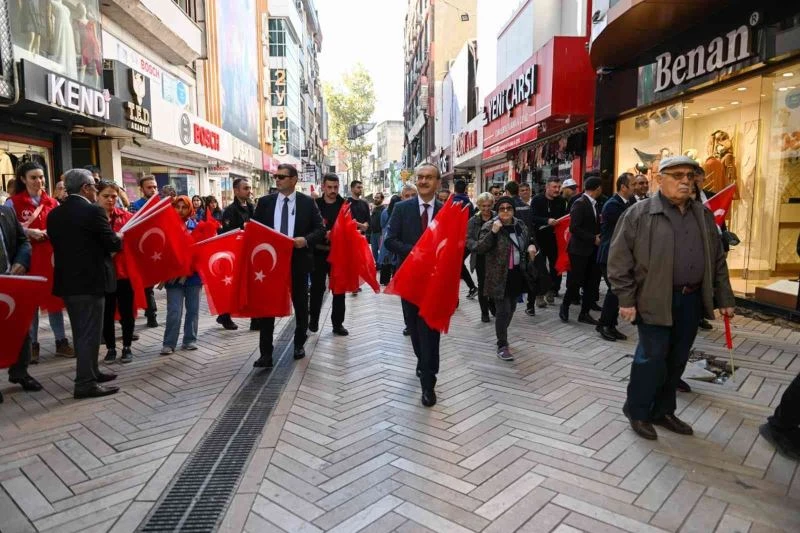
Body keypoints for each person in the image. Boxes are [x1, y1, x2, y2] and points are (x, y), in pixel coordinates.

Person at [609, 155, 735, 440]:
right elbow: (618, 262)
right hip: (653, 299)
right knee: (651, 359)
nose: (685, 181)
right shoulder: (639, 214)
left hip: (690, 300)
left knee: (677, 360)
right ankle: (638, 411)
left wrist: (725, 297)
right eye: (677, 175)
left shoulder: (702, 214)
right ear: (660, 179)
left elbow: (717, 260)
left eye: (690, 176)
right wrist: (626, 300)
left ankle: (663, 411)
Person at [48, 169, 122, 399]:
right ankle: (85, 383)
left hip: (69, 284)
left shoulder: (54, 214)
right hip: (91, 283)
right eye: (93, 185)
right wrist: (118, 238)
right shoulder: (93, 211)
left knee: (82, 332)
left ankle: (92, 372)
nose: (95, 189)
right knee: (89, 334)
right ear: (84, 188)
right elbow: (111, 244)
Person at [252, 164, 325, 367]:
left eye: (282, 177)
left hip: (298, 261)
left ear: (294, 180)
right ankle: (265, 353)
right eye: (276, 176)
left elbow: (320, 229)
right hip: (271, 264)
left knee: (301, 305)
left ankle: (299, 343)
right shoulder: (265, 202)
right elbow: (255, 229)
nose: (278, 180)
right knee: (268, 307)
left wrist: (306, 240)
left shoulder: (307, 203)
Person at [385, 163, 444, 407]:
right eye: (420, 177)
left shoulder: (447, 211)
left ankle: (428, 384)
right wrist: (415, 252)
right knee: (415, 330)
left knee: (431, 330)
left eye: (428, 177)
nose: (423, 181)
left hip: (436, 282)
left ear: (438, 182)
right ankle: (423, 361)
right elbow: (389, 240)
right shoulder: (401, 208)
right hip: (409, 280)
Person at [7, 162, 75, 361]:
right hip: (26, 260)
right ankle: (32, 346)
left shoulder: (52, 203)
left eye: (41, 177)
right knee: (30, 304)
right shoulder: (13, 203)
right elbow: (8, 229)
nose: (39, 181)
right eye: (33, 177)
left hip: (50, 259)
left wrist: (48, 233)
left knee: (54, 300)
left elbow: (62, 228)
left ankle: (61, 342)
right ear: (23, 179)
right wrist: (28, 232)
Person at [474, 196, 537, 361]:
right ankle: (502, 344)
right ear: (498, 210)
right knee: (503, 311)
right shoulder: (490, 226)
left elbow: (529, 238)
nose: (506, 211)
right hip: (498, 275)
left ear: (513, 210)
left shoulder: (519, 225)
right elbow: (480, 248)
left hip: (517, 273)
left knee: (513, 308)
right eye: (502, 209)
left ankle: (501, 333)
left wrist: (532, 245)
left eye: (509, 208)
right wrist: (493, 232)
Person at [0, 203, 42, 403]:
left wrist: (22, 262)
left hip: (11, 282)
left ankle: (20, 372)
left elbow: (22, 241)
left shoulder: (6, 211)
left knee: (20, 329)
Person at [97, 181, 136, 364]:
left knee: (127, 312)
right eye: (106, 196)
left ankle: (127, 346)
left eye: (114, 196)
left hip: (124, 273)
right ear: (97, 196)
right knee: (107, 313)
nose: (111, 200)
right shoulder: (92, 218)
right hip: (102, 273)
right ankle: (111, 348)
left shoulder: (126, 217)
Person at [159, 196, 203, 355]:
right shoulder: (166, 227)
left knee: (193, 310)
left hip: (193, 276)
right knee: (174, 311)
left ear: (190, 208)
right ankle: (169, 343)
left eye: (184, 207)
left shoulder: (198, 226)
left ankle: (190, 340)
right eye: (177, 207)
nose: (180, 210)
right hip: (173, 276)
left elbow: (202, 251)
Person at [309, 174, 349, 337]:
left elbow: (350, 229)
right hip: (318, 252)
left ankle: (337, 324)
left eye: (335, 187)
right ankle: (313, 320)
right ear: (323, 187)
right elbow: (308, 226)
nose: (333, 191)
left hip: (338, 253)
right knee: (317, 288)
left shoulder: (345, 205)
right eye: (330, 187)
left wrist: (336, 233)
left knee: (339, 290)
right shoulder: (314, 205)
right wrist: (321, 234)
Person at [559, 176, 602, 325]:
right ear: (597, 188)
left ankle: (584, 313)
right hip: (578, 250)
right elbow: (574, 228)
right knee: (574, 282)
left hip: (592, 250)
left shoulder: (594, 204)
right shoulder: (580, 203)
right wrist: (592, 238)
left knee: (591, 283)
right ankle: (564, 306)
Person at [596, 173, 633, 342]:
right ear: (623, 187)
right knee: (614, 290)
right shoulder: (612, 205)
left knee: (617, 291)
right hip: (609, 255)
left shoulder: (630, 203)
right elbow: (628, 227)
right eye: (632, 184)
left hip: (622, 256)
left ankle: (611, 325)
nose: (636, 187)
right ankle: (603, 324)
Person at [217, 178, 255, 331]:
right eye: (245, 188)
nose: (249, 191)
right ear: (236, 190)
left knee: (251, 287)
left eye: (249, 188)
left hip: (250, 252)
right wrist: (242, 228)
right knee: (233, 287)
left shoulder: (253, 207)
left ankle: (255, 318)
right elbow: (227, 234)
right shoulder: (230, 211)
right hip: (235, 254)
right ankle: (225, 315)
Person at [531, 177, 568, 306]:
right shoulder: (537, 200)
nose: (557, 190)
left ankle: (552, 290)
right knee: (540, 267)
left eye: (559, 187)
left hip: (555, 239)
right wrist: (546, 221)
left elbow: (564, 217)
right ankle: (539, 294)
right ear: (547, 187)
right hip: (539, 238)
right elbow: (532, 217)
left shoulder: (562, 201)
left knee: (555, 266)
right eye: (554, 187)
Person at [130, 175, 160, 327]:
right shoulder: (134, 206)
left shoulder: (161, 204)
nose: (153, 190)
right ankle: (151, 314)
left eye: (155, 187)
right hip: (141, 250)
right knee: (146, 286)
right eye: (149, 187)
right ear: (141, 189)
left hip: (157, 250)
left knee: (151, 285)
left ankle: (151, 313)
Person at [504, 181, 536, 316]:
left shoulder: (508, 207)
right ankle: (531, 306)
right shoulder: (526, 206)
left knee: (514, 272)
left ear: (507, 191)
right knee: (530, 273)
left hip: (514, 245)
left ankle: (514, 298)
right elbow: (531, 226)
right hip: (528, 243)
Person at [467, 192, 496, 322]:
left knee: (495, 282)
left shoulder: (497, 217)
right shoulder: (473, 221)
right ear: (478, 206)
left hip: (495, 256)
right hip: (480, 256)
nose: (486, 209)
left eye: (489, 205)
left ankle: (493, 304)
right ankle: (484, 312)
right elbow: (468, 239)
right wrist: (477, 245)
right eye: (483, 206)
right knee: (483, 284)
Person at [451, 179, 477, 299]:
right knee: (458, 264)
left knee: (457, 264)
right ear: (465, 189)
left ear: (454, 189)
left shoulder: (452, 202)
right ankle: (471, 288)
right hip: (467, 239)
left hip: (455, 239)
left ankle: (470, 288)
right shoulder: (469, 204)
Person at [378, 195, 401, 287]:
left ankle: (385, 280)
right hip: (397, 237)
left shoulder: (385, 212)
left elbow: (382, 224)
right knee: (395, 258)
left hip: (386, 236)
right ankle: (396, 278)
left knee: (386, 259)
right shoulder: (400, 211)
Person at [368, 191, 385, 265]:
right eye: (375, 197)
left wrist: (382, 234)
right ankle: (378, 264)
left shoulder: (383, 210)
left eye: (377, 198)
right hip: (373, 233)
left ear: (382, 199)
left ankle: (381, 264)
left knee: (381, 250)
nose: (375, 199)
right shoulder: (374, 209)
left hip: (380, 233)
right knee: (374, 250)